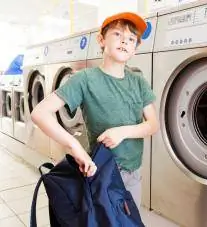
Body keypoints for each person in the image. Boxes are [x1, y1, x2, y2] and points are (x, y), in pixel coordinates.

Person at [31, 12, 159, 208]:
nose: (125, 41)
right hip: (102, 170)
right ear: (101, 40)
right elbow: (40, 113)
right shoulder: (85, 79)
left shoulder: (138, 82)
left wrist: (122, 132)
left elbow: (153, 125)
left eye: (131, 39)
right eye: (117, 34)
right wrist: (75, 147)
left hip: (133, 172)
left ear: (136, 48)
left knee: (129, 219)